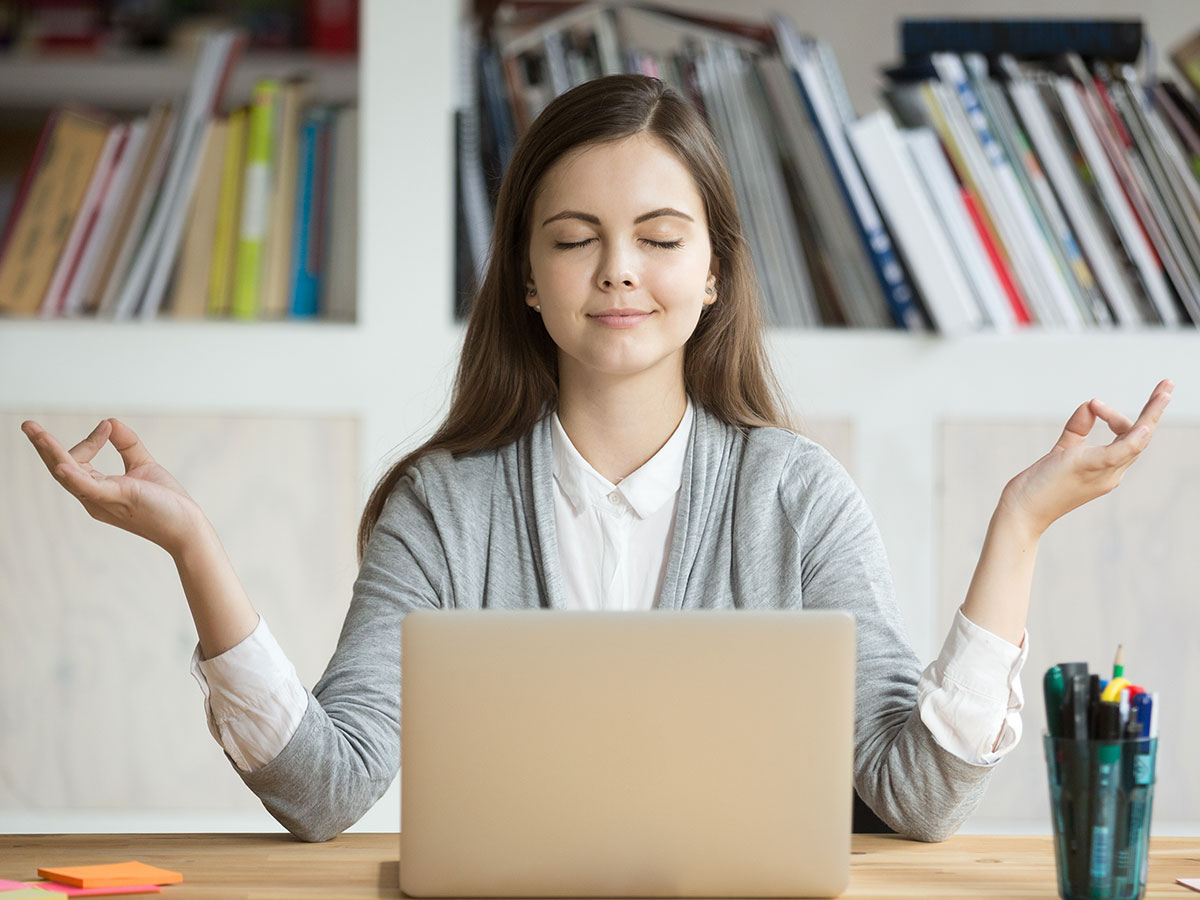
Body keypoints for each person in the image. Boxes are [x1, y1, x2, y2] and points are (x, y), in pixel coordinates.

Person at [22, 74, 1172, 844]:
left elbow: (914, 798)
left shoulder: (796, 496)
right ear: (527, 277)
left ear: (713, 271)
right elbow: (326, 792)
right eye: (575, 241)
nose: (619, 271)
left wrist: (1017, 527)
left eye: (661, 241)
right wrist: (192, 546)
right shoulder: (445, 505)